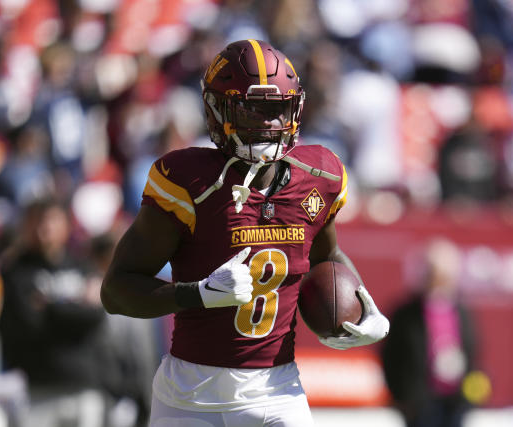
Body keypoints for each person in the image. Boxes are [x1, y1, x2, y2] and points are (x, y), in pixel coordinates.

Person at [100, 39, 390, 427]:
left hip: (277, 390)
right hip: (190, 395)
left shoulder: (319, 177)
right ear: (217, 111)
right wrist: (196, 294)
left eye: (277, 110)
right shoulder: (191, 183)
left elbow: (327, 257)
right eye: (253, 109)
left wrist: (360, 300)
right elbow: (116, 291)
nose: (269, 123)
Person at [0, 198, 109, 427]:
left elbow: (97, 316)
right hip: (39, 388)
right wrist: (76, 306)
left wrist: (50, 307)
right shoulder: (16, 272)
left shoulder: (82, 266)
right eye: (37, 221)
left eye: (51, 221)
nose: (44, 228)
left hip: (84, 386)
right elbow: (28, 323)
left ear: (66, 225)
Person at [382, 238, 476, 427]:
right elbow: (390, 356)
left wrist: (469, 399)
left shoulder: (461, 311)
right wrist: (402, 398)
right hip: (420, 404)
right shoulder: (406, 314)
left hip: (454, 402)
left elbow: (472, 352)